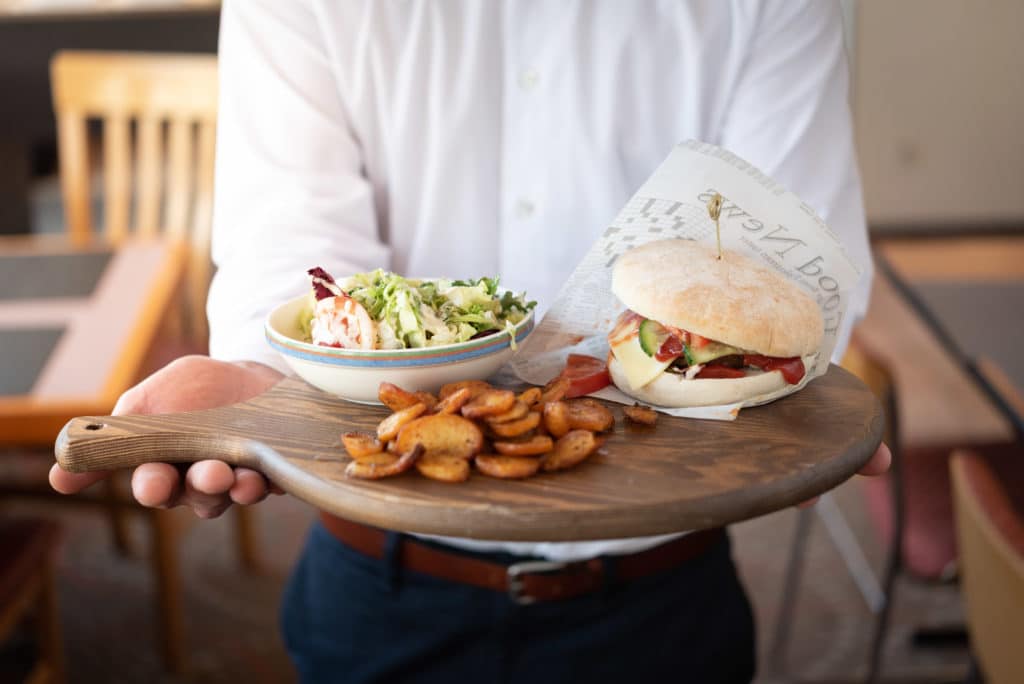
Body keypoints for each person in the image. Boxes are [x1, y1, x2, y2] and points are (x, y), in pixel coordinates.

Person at [50, 2, 891, 682]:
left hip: (661, 593)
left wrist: (784, 401)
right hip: (377, 581)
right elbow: (292, 248)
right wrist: (259, 377)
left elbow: (795, 276)